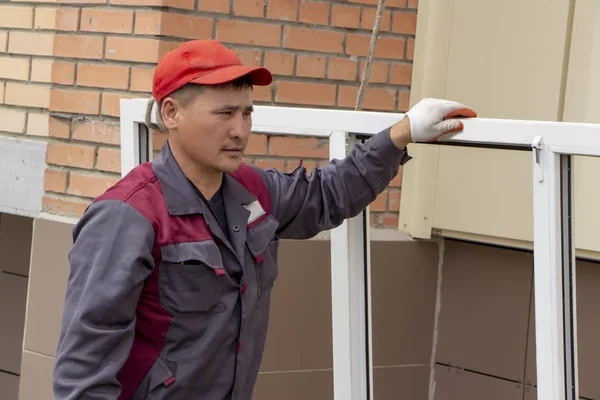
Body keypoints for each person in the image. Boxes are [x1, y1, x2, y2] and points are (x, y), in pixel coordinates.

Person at [53, 39, 476, 400]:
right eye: (224, 114)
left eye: (247, 113)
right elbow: (84, 371)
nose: (240, 130)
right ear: (171, 114)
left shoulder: (251, 191)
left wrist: (400, 133)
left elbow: (326, 194)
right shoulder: (127, 216)